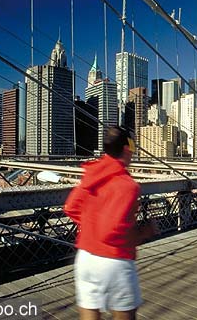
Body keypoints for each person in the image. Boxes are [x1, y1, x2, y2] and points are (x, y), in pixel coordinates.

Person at [64, 127, 158, 320]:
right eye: (133, 145)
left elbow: (71, 207)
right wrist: (145, 232)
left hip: (85, 259)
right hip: (114, 262)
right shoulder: (128, 186)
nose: (134, 150)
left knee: (90, 314)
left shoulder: (91, 173)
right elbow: (114, 232)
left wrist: (92, 224)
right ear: (126, 148)